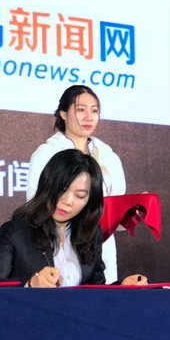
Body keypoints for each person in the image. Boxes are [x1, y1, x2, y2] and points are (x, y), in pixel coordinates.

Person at [0, 149, 147, 287]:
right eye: (62, 190)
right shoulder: (17, 231)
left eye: (80, 196)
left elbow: (95, 291)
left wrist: (122, 287)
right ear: (48, 186)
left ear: (89, 200)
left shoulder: (91, 233)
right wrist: (30, 284)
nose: (67, 201)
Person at [26, 85, 127, 283]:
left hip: (100, 243)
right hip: (60, 241)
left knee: (102, 294)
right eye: (81, 110)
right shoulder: (46, 154)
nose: (89, 117)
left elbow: (115, 203)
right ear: (63, 113)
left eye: (94, 111)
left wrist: (130, 210)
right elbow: (35, 203)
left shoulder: (107, 155)